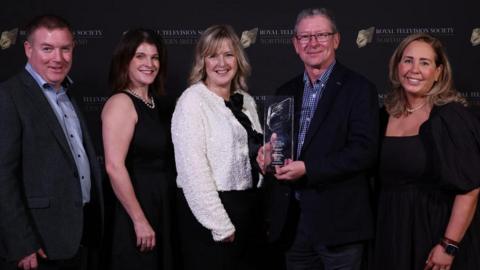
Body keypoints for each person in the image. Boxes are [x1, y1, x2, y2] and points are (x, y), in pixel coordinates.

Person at [257, 8, 379, 270]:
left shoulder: (359, 89)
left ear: (336, 40)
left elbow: (364, 152)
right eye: (305, 37)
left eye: (321, 35)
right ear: (295, 44)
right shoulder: (285, 91)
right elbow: (279, 151)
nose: (313, 43)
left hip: (340, 227)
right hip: (293, 226)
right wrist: (268, 158)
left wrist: (308, 169)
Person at [0, 14, 104, 270]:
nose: (58, 58)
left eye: (65, 49)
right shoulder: (9, 96)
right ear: (28, 49)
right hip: (38, 244)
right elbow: (2, 177)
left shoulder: (69, 94)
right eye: (47, 48)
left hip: (78, 237)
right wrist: (21, 244)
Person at [373, 33, 480, 270]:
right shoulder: (383, 115)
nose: (414, 69)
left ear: (438, 72)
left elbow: (470, 189)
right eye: (408, 60)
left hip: (435, 232)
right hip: (391, 232)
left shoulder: (450, 117)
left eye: (425, 62)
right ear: (397, 65)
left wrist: (448, 245)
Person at [171, 24, 264, 270]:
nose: (221, 63)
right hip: (212, 215)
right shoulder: (192, 101)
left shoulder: (247, 101)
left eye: (228, 54)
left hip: (248, 211)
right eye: (213, 55)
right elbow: (193, 171)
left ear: (238, 59)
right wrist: (219, 224)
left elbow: (253, 157)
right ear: (203, 61)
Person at [101, 29, 176, 270]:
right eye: (140, 56)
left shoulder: (159, 104)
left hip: (162, 204)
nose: (149, 64)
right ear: (125, 60)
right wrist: (139, 219)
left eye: (154, 57)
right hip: (136, 207)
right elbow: (114, 166)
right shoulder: (120, 103)